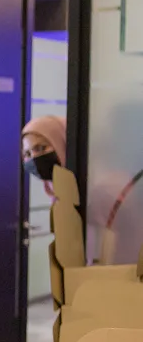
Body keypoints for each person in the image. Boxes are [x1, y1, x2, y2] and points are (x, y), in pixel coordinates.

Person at [23, 113, 143, 265]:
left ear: (64, 143)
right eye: (27, 153)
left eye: (41, 147)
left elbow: (113, 252)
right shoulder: (63, 194)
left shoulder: (101, 190)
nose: (34, 158)